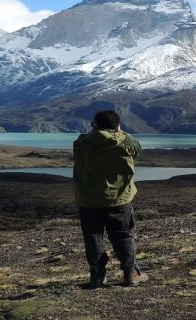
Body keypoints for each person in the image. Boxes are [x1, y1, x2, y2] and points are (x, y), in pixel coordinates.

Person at [73, 110, 144, 288]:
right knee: (123, 235)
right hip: (119, 198)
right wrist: (119, 132)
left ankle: (97, 276)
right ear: (118, 125)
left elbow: (82, 143)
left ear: (95, 125)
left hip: (88, 199)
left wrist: (96, 130)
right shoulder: (125, 140)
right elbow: (136, 150)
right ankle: (130, 274)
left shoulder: (82, 141)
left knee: (93, 237)